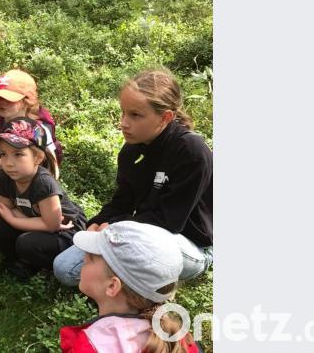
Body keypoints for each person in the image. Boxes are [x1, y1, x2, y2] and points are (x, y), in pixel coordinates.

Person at [53, 69, 213, 286]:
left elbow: (169, 223)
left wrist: (114, 228)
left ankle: (127, 283)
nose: (124, 123)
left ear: (166, 117)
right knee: (64, 268)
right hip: (139, 233)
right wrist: (98, 222)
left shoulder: (191, 151)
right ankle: (122, 276)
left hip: (185, 243)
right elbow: (122, 202)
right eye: (123, 112)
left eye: (135, 115)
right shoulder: (131, 150)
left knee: (145, 248)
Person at [59, 221, 200, 353]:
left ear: (112, 285)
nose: (84, 258)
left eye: (90, 258)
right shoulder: (178, 338)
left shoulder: (90, 346)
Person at [0, 117, 87, 281]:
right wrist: (20, 218)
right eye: (3, 154)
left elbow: (51, 225)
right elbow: (6, 207)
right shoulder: (2, 177)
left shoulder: (43, 184)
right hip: (36, 220)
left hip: (64, 230)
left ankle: (40, 264)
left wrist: (13, 220)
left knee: (27, 243)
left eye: (18, 154)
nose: (8, 163)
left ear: (38, 158)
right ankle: (19, 258)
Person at [0, 69, 62, 207]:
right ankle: (1, 211)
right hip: (6, 177)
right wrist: (10, 161)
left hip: (33, 180)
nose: (1, 103)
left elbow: (53, 166)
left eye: (8, 99)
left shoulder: (38, 129)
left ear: (26, 100)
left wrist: (49, 189)